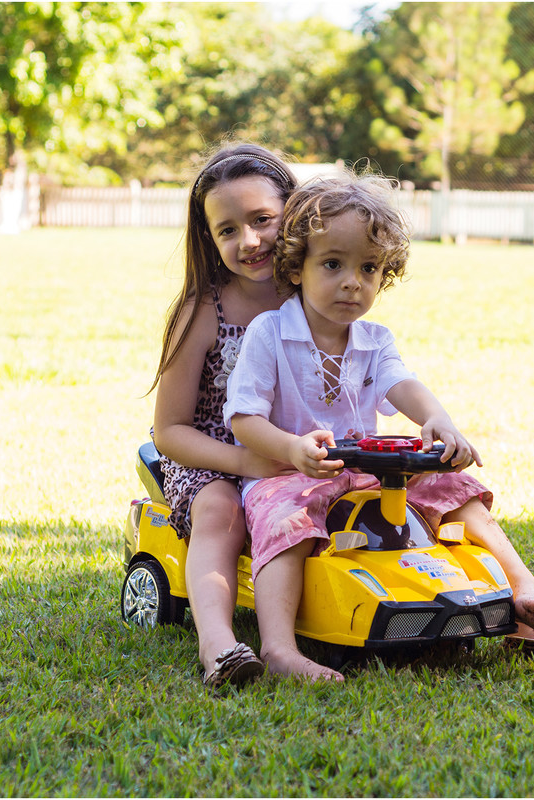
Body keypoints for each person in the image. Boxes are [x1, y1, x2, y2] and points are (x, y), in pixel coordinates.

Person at [225, 172, 534, 682]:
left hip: (365, 475)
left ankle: (524, 599)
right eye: (333, 264)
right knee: (288, 524)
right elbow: (243, 418)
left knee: (452, 484)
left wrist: (438, 420)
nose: (353, 281)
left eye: (369, 268)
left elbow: (403, 384)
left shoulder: (373, 338)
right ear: (296, 267)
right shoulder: (271, 332)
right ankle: (279, 647)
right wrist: (292, 447)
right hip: (288, 474)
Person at [149, 142, 298, 688]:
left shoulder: (317, 299)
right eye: (228, 230)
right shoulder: (202, 309)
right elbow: (170, 431)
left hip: (292, 453)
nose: (249, 241)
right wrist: (246, 462)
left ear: (295, 213)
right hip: (210, 454)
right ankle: (218, 644)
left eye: (263, 220)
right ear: (209, 239)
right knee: (220, 510)